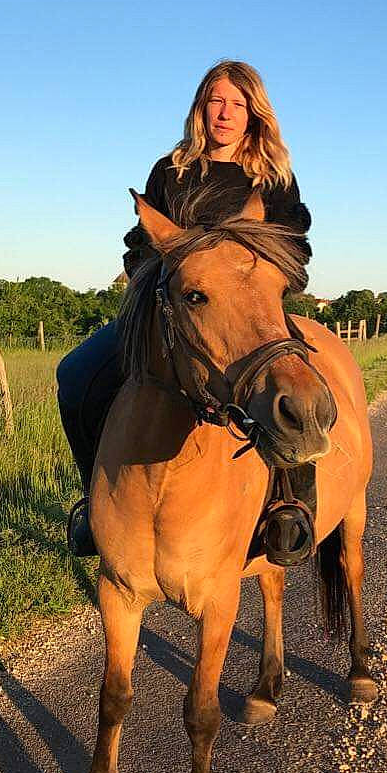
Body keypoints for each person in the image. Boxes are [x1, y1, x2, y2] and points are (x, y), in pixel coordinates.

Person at [57, 59, 312, 556]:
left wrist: (257, 275)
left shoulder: (274, 178)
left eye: (238, 104)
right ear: (200, 107)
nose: (225, 112)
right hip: (172, 311)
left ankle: (290, 505)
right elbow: (138, 244)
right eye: (216, 100)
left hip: (251, 311)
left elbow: (295, 247)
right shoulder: (171, 170)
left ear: (254, 113)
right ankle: (96, 501)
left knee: (298, 387)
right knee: (76, 376)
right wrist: (163, 280)